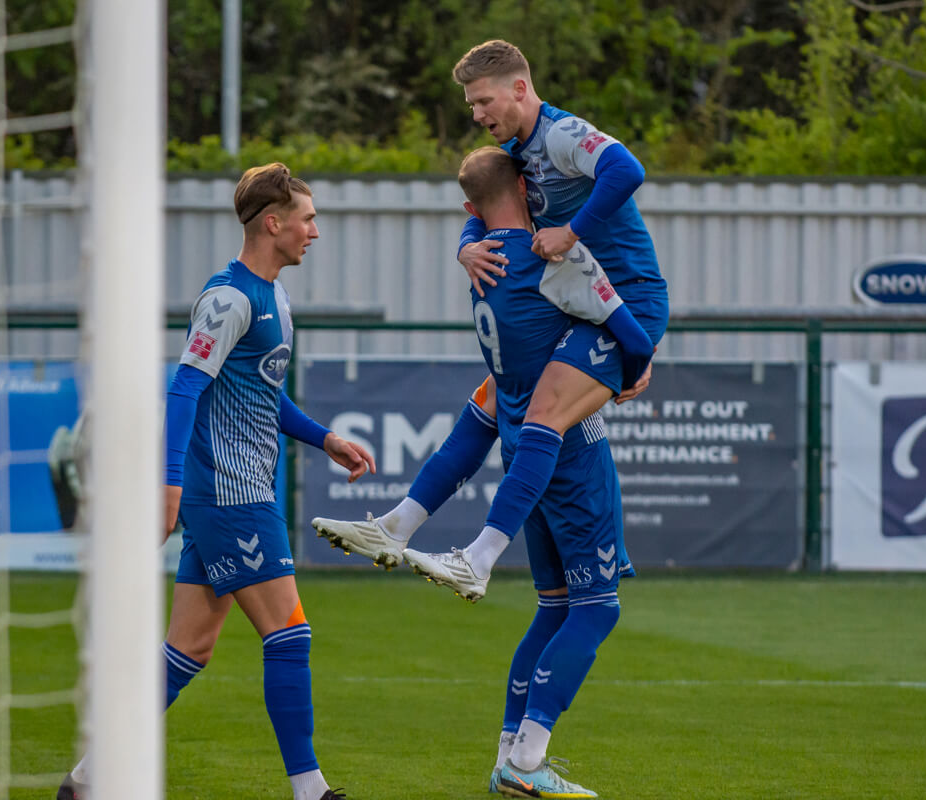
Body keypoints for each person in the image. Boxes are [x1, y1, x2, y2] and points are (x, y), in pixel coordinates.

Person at [58, 163, 374, 800]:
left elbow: (263, 393)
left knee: (189, 650)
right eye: (308, 219)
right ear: (274, 222)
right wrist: (169, 486)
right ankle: (311, 792)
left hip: (236, 495)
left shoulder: (274, 297)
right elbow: (185, 390)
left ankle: (86, 780)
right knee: (289, 635)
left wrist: (324, 437)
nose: (316, 231)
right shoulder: (228, 300)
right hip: (229, 497)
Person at [313, 39, 668, 601]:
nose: (476, 114)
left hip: (623, 301)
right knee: (490, 403)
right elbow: (486, 198)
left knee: (541, 415)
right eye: (471, 105)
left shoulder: (559, 134)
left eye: (482, 101)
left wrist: (574, 236)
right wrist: (466, 245)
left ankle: (479, 559)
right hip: (579, 299)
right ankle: (395, 527)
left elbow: (628, 169)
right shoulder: (518, 151)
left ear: (520, 89)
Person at [452, 145, 631, 797]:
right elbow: (626, 322)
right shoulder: (548, 254)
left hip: (528, 447)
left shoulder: (484, 266)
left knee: (554, 609)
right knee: (596, 610)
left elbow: (483, 205)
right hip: (571, 451)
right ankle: (527, 760)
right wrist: (635, 366)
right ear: (528, 187)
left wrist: (466, 239)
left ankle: (508, 748)